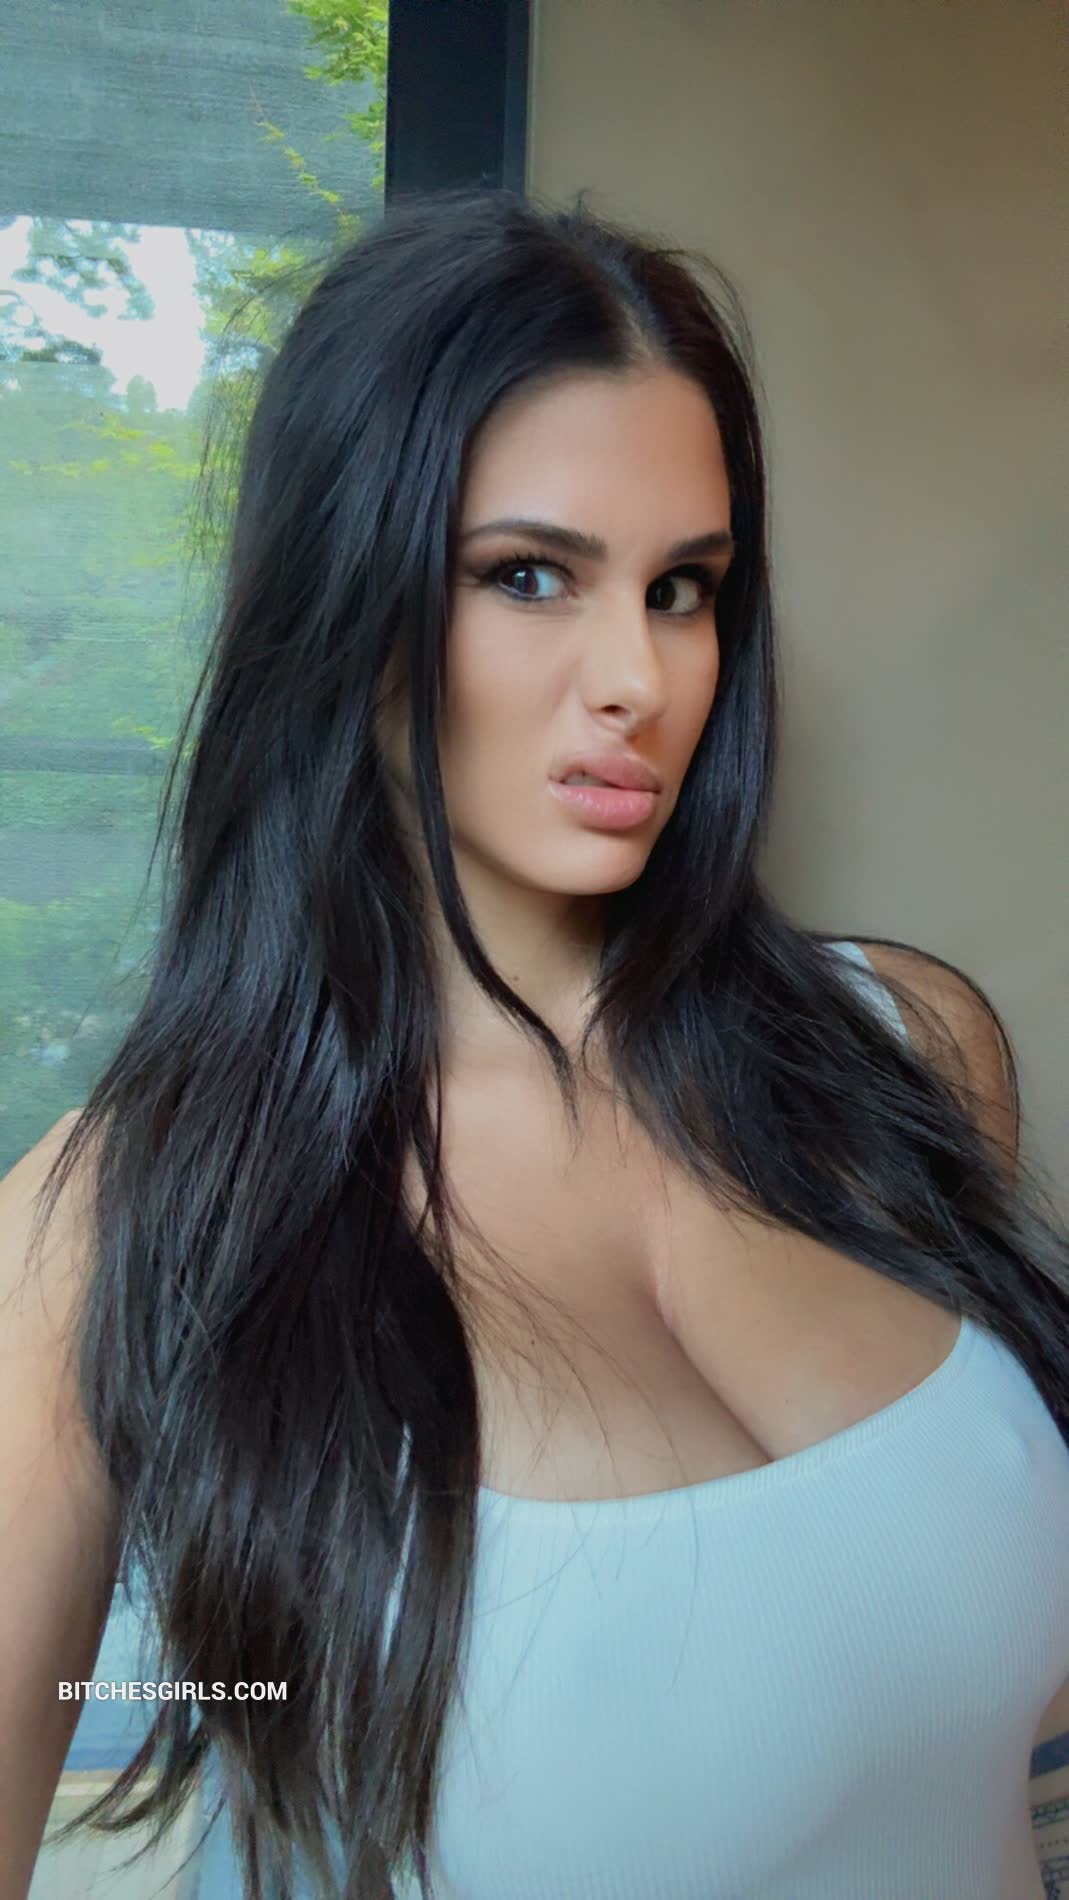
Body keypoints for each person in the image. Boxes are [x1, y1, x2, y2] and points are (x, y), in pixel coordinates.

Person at [2, 184, 1068, 1900]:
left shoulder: (904, 1056)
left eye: (684, 588)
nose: (637, 675)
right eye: (527, 576)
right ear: (348, 600)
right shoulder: (116, 1222)